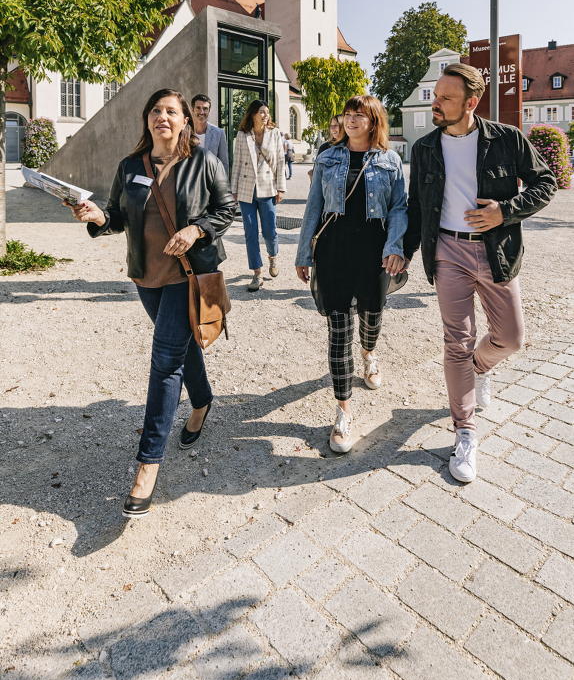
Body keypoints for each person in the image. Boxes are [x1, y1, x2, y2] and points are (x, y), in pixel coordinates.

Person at [68, 88, 235, 518]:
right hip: (148, 279)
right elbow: (117, 216)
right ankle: (202, 401)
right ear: (147, 120)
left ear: (184, 122)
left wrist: (196, 230)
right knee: (180, 346)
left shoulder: (203, 161)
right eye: (156, 111)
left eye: (172, 112)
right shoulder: (130, 167)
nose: (163, 116)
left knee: (164, 360)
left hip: (188, 276)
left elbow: (226, 208)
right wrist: (97, 218)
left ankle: (147, 465)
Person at [403, 62, 557, 483]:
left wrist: (504, 212)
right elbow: (417, 208)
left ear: (471, 103)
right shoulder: (424, 148)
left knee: (511, 338)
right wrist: (402, 251)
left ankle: (480, 368)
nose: (434, 103)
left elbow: (546, 183)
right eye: (434, 94)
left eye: (445, 98)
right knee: (457, 342)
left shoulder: (507, 140)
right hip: (447, 252)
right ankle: (465, 431)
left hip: (496, 251)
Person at [296, 95, 407, 453]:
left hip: (374, 252)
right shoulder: (327, 157)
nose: (352, 119)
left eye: (360, 114)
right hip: (334, 250)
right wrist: (303, 253)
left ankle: (370, 354)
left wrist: (395, 246)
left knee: (372, 315)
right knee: (339, 329)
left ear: (374, 120)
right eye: (348, 114)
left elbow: (399, 209)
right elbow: (314, 206)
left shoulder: (390, 160)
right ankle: (343, 411)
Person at [230, 100, 286, 291]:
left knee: (269, 231)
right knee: (250, 232)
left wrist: (281, 188)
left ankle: (272, 256)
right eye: (261, 112)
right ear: (253, 114)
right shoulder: (242, 134)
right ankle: (257, 273)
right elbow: (236, 163)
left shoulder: (275, 133)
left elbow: (280, 160)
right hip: (246, 189)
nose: (265, 115)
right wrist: (234, 190)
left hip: (268, 187)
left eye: (267, 112)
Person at [190, 93, 229, 176]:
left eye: (205, 108)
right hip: (188, 181)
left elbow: (224, 163)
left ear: (209, 111)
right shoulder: (184, 132)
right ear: (192, 110)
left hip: (210, 182)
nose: (202, 112)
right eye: (198, 108)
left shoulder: (219, 133)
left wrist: (224, 185)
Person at [308, 115, 343, 181]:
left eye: (336, 125)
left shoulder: (352, 147)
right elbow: (316, 175)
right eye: (331, 126)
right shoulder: (325, 148)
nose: (332, 128)